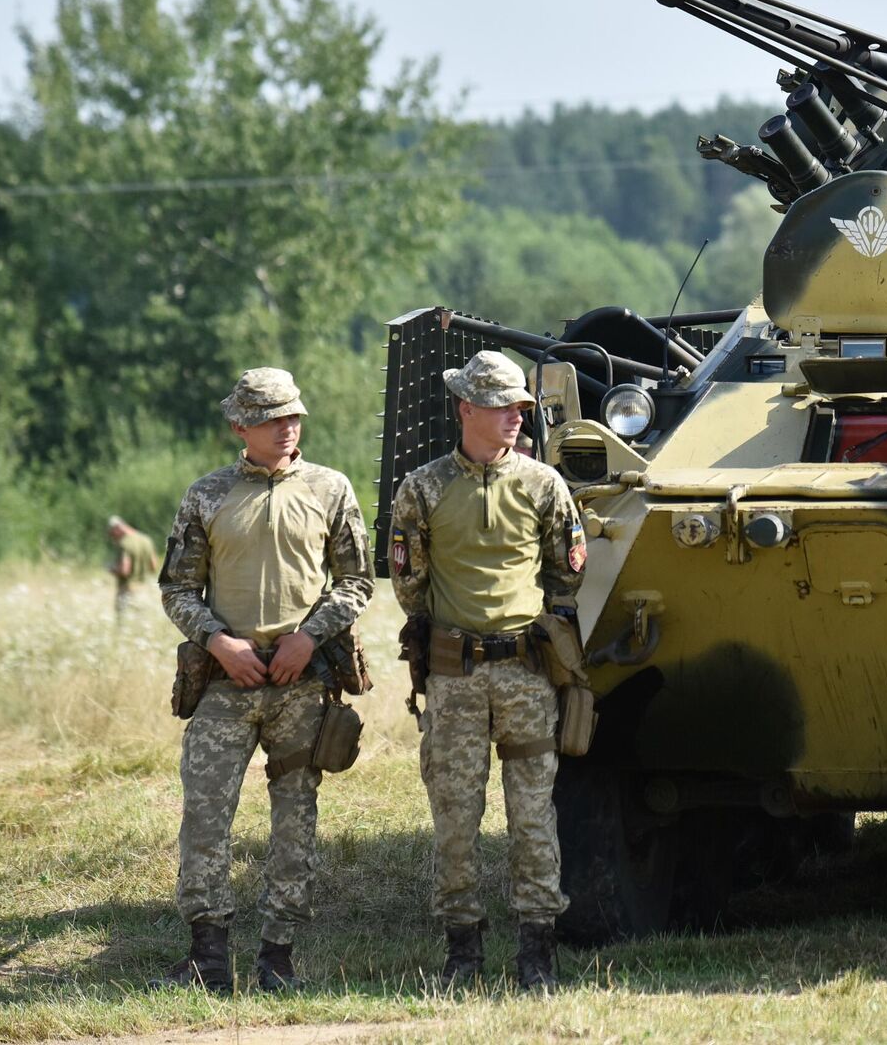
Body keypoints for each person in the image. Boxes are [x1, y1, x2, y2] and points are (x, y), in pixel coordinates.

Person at [154, 368, 374, 993]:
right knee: (203, 815)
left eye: (295, 416)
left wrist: (310, 637)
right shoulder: (207, 495)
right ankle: (208, 957)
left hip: (302, 682)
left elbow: (357, 580)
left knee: (295, 818)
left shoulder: (331, 489)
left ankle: (278, 958)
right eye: (274, 418)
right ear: (239, 426)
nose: (288, 428)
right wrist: (219, 642)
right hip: (227, 682)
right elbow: (176, 587)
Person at [389, 350, 585, 991]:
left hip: (528, 675)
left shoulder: (542, 484)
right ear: (466, 408)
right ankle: (462, 950)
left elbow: (566, 570)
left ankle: (537, 952)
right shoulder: (421, 489)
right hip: (455, 678)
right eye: (503, 407)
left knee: (533, 816)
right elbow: (409, 586)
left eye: (521, 408)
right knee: (455, 816)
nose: (516, 418)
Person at [107, 516, 161, 620]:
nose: (113, 538)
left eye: (112, 534)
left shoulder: (125, 543)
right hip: (145, 588)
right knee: (142, 620)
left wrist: (112, 569)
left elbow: (125, 570)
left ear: (117, 529)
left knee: (123, 621)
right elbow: (154, 566)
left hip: (128, 589)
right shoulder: (146, 540)